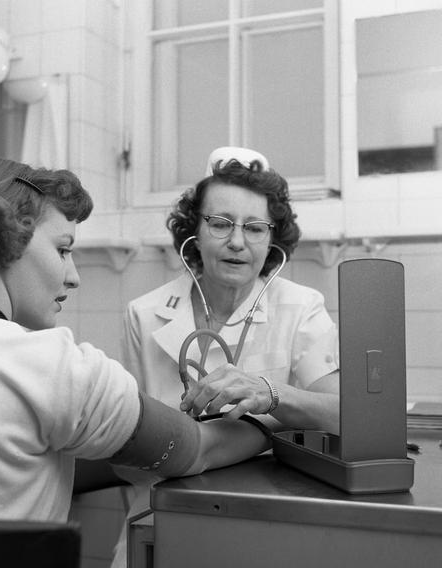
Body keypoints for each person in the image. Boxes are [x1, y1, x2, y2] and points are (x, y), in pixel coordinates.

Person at [0, 158, 272, 523]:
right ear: (2, 240)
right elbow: (197, 450)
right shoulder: (51, 365)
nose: (73, 277)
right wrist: (276, 422)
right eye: (63, 249)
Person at [110, 148, 340, 568]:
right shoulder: (144, 315)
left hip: (265, 534)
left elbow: (344, 415)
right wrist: (258, 435)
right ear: (194, 231)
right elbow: (125, 448)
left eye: (254, 227)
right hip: (158, 525)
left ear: (272, 240)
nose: (237, 241)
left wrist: (269, 395)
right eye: (220, 223)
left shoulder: (300, 307)